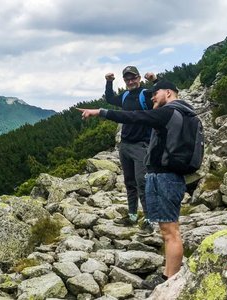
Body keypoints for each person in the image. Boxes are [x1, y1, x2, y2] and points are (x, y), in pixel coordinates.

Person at [78, 80, 194, 289]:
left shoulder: (167, 113)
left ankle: (171, 282)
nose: (152, 98)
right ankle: (168, 275)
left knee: (170, 232)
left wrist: (100, 112)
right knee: (169, 230)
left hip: (166, 177)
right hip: (171, 176)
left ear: (168, 93)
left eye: (155, 94)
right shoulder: (184, 112)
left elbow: (132, 116)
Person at [105, 66, 157, 232]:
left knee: (143, 182)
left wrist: (155, 80)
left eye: (133, 78)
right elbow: (110, 99)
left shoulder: (146, 94)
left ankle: (149, 220)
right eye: (127, 79)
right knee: (129, 182)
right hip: (125, 145)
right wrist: (109, 82)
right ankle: (133, 215)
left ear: (139, 78)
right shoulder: (126, 95)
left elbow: (165, 93)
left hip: (142, 145)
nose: (130, 81)